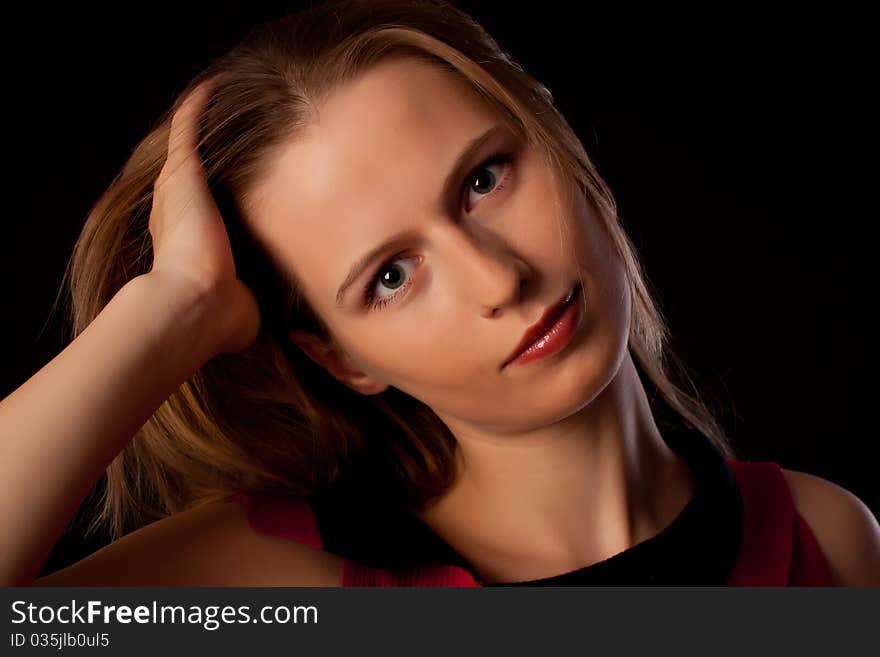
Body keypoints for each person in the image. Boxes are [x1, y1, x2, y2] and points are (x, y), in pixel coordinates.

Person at [1, 0, 877, 587]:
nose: (501, 279)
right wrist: (172, 309)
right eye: (390, 276)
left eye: (485, 179)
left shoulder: (825, 539)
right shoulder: (264, 582)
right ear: (340, 357)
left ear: (557, 141)